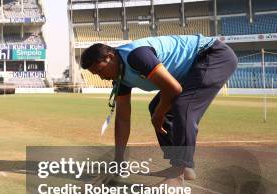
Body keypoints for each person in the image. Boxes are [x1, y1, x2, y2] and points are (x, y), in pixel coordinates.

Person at [80, 34, 237, 186]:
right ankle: (185, 167)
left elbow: (174, 89)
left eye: (100, 70)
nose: (101, 77)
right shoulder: (120, 78)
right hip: (190, 70)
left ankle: (178, 174)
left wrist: (159, 115)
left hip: (213, 55)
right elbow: (122, 118)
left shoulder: (137, 56)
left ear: (110, 57)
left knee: (182, 107)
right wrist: (119, 160)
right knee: (156, 106)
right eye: (96, 74)